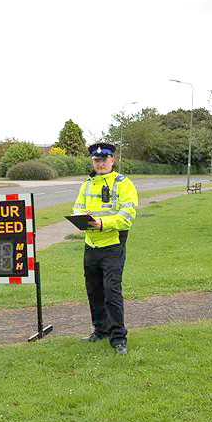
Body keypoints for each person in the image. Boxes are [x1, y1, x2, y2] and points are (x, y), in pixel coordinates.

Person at [72, 142, 138, 355]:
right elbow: (78, 208)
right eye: (96, 160)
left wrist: (102, 223)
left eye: (104, 159)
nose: (100, 163)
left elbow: (127, 216)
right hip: (91, 245)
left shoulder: (123, 184)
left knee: (112, 292)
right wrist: (80, 219)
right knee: (94, 290)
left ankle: (118, 338)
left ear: (112, 160)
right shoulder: (87, 184)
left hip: (112, 245)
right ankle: (100, 330)